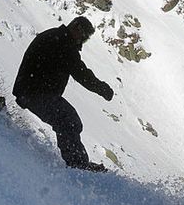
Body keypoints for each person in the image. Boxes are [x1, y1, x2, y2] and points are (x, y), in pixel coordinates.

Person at [13, 16, 114, 172]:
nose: (82, 42)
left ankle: (78, 162)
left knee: (69, 119)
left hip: (32, 90)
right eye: (84, 37)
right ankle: (77, 165)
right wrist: (102, 89)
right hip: (34, 92)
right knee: (68, 120)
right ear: (77, 28)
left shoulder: (57, 37)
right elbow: (81, 73)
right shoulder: (63, 43)